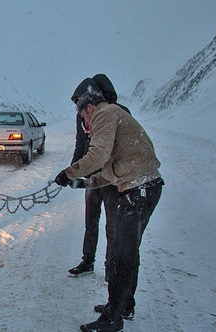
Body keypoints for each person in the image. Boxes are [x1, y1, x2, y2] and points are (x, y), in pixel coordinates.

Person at [55, 76, 164, 332]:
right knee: (124, 250)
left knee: (121, 254)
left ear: (88, 107)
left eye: (82, 116)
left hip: (139, 190)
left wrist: (70, 171)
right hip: (141, 188)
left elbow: (97, 155)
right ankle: (123, 305)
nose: (83, 123)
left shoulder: (104, 114)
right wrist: (82, 183)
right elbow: (107, 170)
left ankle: (113, 319)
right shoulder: (112, 113)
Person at [68, 74, 128, 278]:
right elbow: (81, 145)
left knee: (113, 227)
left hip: (113, 179)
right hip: (93, 178)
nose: (81, 111)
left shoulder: (117, 113)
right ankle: (87, 261)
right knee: (90, 222)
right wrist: (73, 171)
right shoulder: (81, 117)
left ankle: (111, 269)